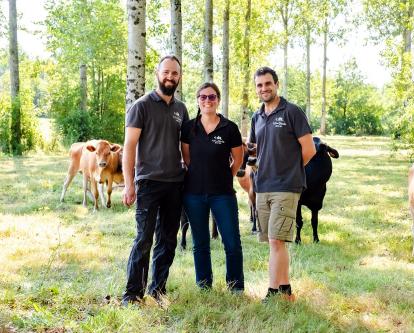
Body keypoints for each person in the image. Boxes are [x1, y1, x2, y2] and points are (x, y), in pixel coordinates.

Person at [121, 55, 189, 305]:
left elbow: (185, 149)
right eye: (166, 72)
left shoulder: (181, 109)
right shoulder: (141, 106)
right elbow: (129, 147)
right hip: (148, 183)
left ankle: (157, 290)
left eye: (175, 73)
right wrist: (129, 184)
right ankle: (132, 294)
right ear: (157, 74)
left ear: (179, 77)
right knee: (144, 239)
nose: (170, 77)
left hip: (175, 184)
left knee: (168, 241)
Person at [249, 67, 316, 301]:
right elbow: (253, 150)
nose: (264, 88)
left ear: (276, 84)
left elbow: (309, 149)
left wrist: (290, 171)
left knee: (277, 239)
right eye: (259, 85)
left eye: (268, 83)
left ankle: (272, 291)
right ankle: (286, 290)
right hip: (262, 186)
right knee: (273, 242)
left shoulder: (292, 112)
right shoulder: (256, 117)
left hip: (286, 186)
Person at [180, 82, 245, 293]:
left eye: (212, 97)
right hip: (193, 194)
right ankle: (204, 286)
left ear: (217, 100)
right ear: (198, 100)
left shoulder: (230, 128)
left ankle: (235, 287)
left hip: (223, 194)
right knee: (200, 244)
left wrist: (225, 176)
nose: (207, 100)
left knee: (232, 242)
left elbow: (237, 159)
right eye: (203, 97)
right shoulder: (188, 127)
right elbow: (187, 158)